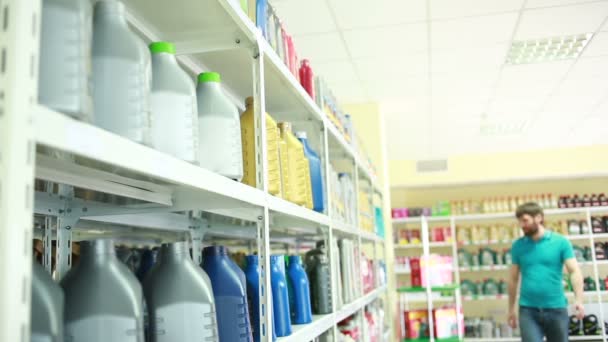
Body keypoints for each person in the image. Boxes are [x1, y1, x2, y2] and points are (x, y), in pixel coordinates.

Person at [507, 202, 584, 342]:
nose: (522, 225)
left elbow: (574, 271)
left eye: (525, 220)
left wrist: (578, 299)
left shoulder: (560, 242)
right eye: (519, 222)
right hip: (528, 310)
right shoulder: (518, 246)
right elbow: (513, 278)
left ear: (538, 218)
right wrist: (511, 308)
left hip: (556, 308)